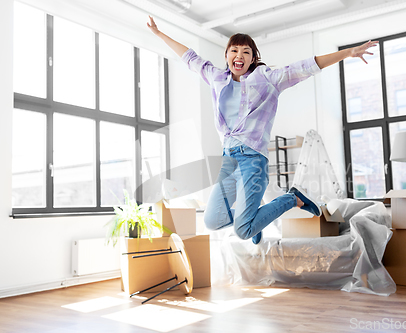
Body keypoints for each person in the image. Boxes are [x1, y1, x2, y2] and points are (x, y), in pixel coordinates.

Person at [146, 16, 378, 245]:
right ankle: (252, 220)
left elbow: (307, 66)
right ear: (226, 55)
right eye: (234, 50)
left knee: (243, 231)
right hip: (228, 160)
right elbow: (189, 57)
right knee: (212, 220)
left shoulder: (267, 79)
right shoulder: (216, 78)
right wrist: (158, 33)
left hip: (252, 160)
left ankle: (292, 198)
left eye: (246, 52)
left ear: (253, 58)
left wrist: (347, 53)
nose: (239, 55)